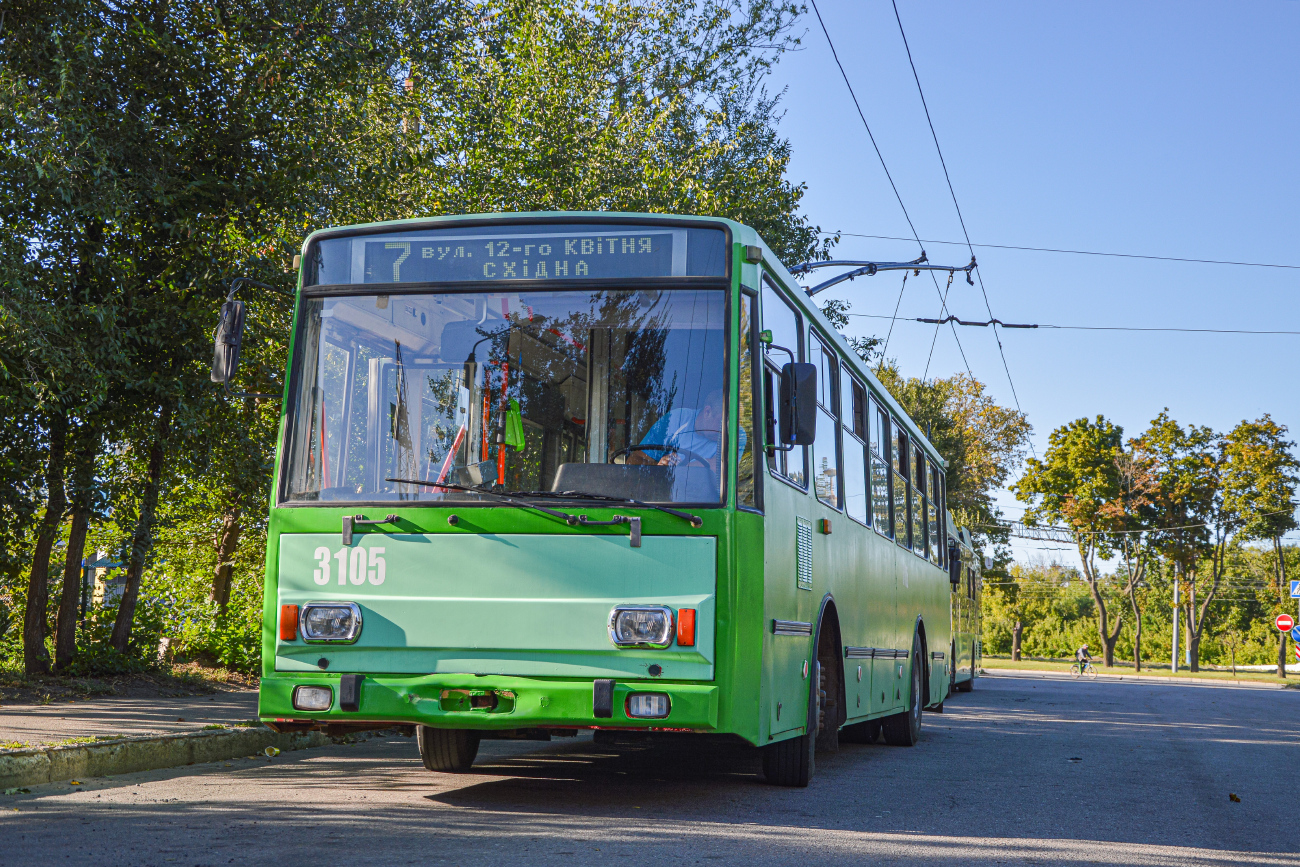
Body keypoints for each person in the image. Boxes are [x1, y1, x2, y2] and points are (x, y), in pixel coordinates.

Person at [627, 389, 743, 478]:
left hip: (711, 504)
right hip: (665, 498)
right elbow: (633, 461)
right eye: (722, 423)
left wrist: (677, 470)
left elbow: (719, 467)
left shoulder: (737, 434)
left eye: (731, 426)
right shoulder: (675, 420)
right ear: (707, 411)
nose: (726, 431)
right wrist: (659, 467)